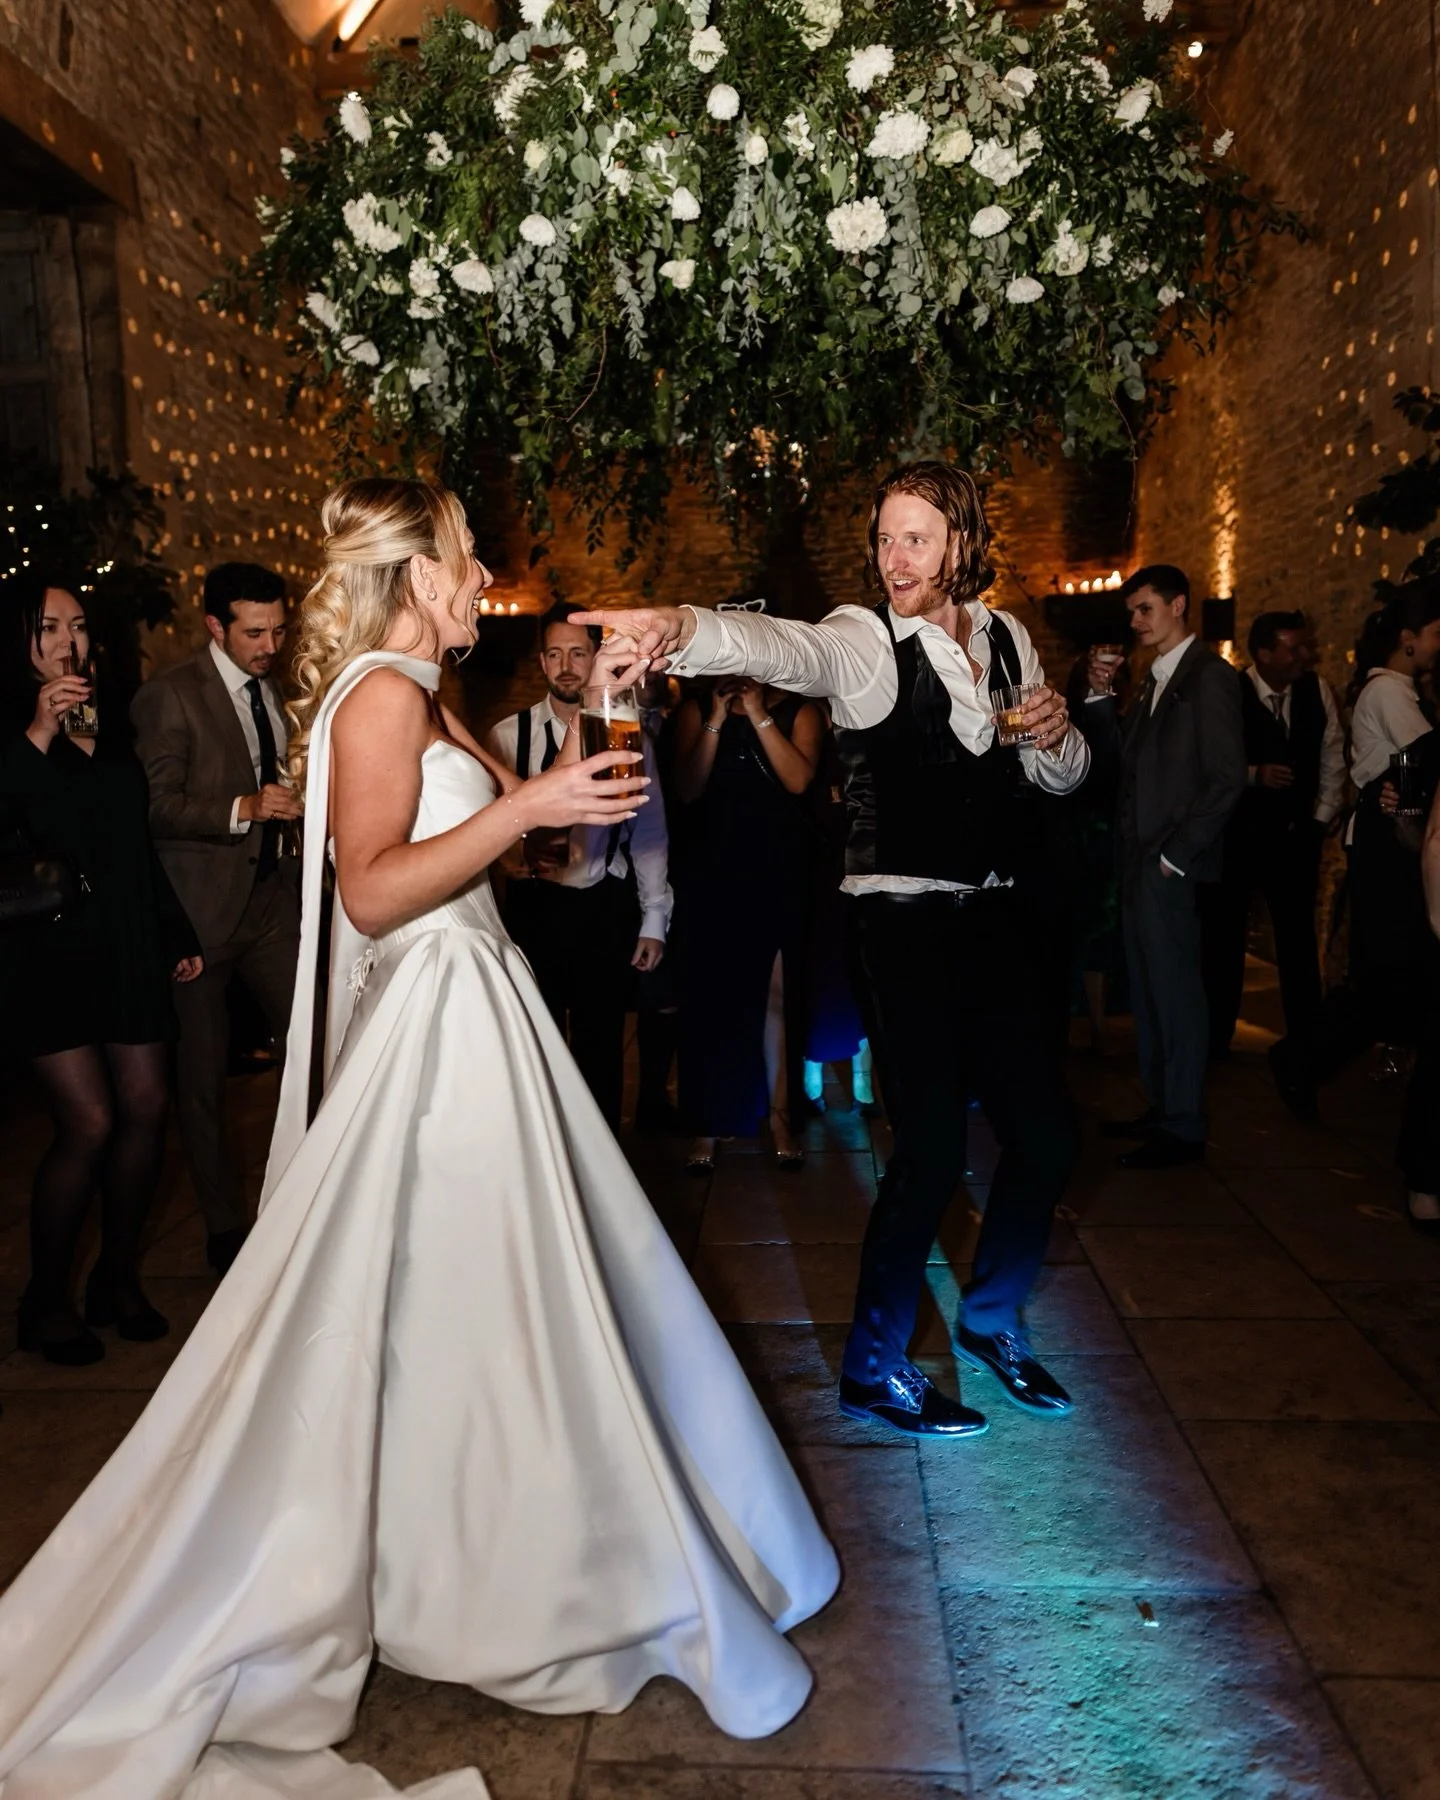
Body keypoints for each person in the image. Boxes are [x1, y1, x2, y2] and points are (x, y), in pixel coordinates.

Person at [0, 477, 838, 1800]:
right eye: (468, 555)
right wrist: (526, 815)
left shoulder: (426, 691)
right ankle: (496, 1567)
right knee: (488, 1288)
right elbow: (375, 890)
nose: (485, 574)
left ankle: (494, 1541)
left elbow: (531, 835)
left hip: (481, 995)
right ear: (420, 573)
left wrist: (589, 744)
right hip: (440, 1018)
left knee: (499, 1293)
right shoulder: (381, 697)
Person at [577, 459, 1088, 1438]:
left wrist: (1060, 736)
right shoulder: (862, 641)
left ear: (962, 541)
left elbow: (1057, 777)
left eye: (916, 539)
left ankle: (989, 1321)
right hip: (898, 925)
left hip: (993, 918)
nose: (896, 558)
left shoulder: (1008, 639)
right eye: (885, 538)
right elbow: (782, 644)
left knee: (1046, 1137)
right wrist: (681, 627)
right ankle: (872, 1369)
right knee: (931, 1151)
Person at [0, 572, 202, 1366]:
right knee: (88, 1123)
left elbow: (128, 838)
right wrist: (36, 732)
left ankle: (114, 1280)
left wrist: (173, 928)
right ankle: (43, 1301)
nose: (69, 642)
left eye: (78, 625)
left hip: (125, 939)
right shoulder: (15, 724)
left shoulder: (101, 713)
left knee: (148, 1108)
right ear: (19, 638)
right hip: (45, 951)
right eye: (49, 627)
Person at [130, 562, 303, 1277]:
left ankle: (308, 1201)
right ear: (214, 626)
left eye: (279, 630)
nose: (271, 645)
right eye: (255, 633)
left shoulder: (277, 691)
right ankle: (224, 1227)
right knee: (201, 1083)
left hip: (273, 905)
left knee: (315, 1047)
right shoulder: (169, 696)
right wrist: (244, 808)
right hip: (199, 916)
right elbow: (154, 806)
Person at [486, 600, 671, 1130]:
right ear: (541, 662)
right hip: (532, 906)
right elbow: (485, 823)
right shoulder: (507, 735)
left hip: (602, 906)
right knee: (534, 1041)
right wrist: (513, 855)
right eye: (554, 654)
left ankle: (601, 1156)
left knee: (600, 1047)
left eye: (577, 653)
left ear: (596, 659)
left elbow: (649, 831)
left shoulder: (625, 732)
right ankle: (543, 1151)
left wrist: (654, 919)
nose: (565, 666)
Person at [1086, 565, 1246, 1169]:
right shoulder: (1156, 678)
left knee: (1177, 994)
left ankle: (1183, 1124)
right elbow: (1121, 765)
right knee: (1148, 991)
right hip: (1138, 861)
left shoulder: (1209, 676)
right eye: (1132, 611)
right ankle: (1162, 1107)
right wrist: (1100, 698)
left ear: (1179, 606)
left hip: (1168, 865)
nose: (1135, 621)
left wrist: (1177, 857)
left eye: (1145, 609)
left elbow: (1226, 778)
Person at [668, 669, 824, 1172]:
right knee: (710, 1000)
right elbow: (688, 788)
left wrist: (757, 713)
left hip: (777, 870)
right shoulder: (695, 709)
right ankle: (709, 1122)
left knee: (776, 999)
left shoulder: (799, 710)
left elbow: (799, 780)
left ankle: (780, 1116)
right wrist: (716, 717)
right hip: (710, 871)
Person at [1202, 609, 1346, 1058]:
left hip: (1297, 836)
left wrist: (1320, 817)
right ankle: (1215, 1039)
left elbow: (1333, 753)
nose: (1304, 655)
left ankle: (1306, 1043)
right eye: (1293, 648)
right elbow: (1209, 759)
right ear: (1263, 654)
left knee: (1297, 939)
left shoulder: (1316, 690)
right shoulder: (1231, 692)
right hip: (1239, 836)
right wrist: (1253, 774)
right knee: (1225, 938)